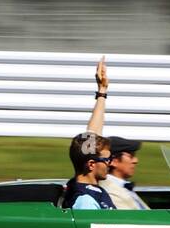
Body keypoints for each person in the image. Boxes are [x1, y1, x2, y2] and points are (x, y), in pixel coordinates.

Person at [59, 57, 114, 209]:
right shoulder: (85, 202)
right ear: (91, 164)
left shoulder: (82, 185)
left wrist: (102, 91)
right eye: (107, 159)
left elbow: (93, 133)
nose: (111, 163)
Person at [101, 136, 151, 210]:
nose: (136, 160)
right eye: (131, 156)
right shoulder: (110, 192)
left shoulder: (122, 187)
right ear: (114, 161)